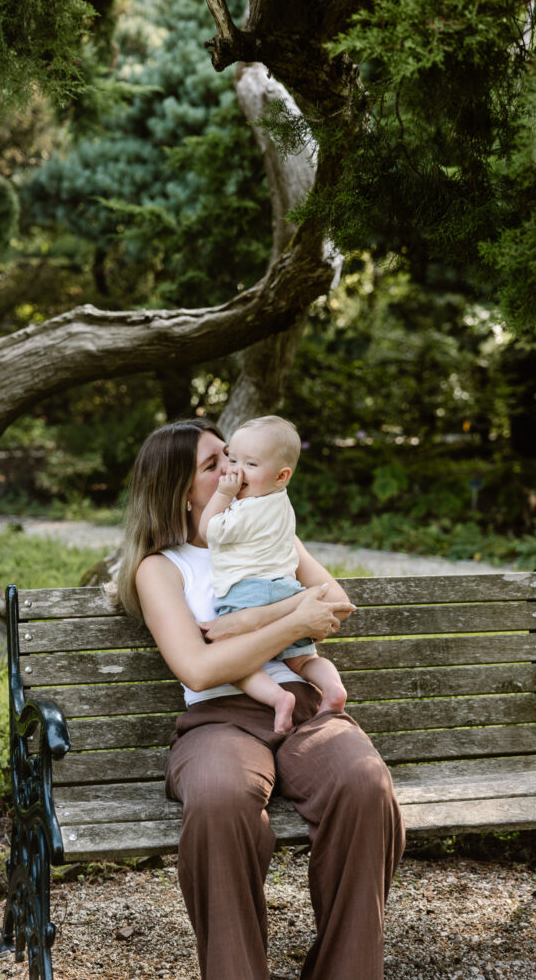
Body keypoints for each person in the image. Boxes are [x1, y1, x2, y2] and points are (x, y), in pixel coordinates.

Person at [116, 418, 405, 980]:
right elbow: (199, 670)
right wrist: (292, 615)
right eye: (212, 465)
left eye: (230, 456)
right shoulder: (161, 568)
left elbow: (336, 604)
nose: (231, 469)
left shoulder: (269, 528)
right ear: (179, 490)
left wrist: (248, 620)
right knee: (220, 799)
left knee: (365, 785)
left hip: (302, 704)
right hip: (218, 718)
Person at [198, 415, 347, 733]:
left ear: (282, 476)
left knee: (232, 661)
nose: (233, 471)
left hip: (247, 593)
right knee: (304, 661)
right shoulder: (280, 503)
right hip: (287, 589)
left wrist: (223, 495)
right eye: (232, 459)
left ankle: (279, 699)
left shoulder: (245, 508)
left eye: (249, 464)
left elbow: (209, 530)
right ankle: (333, 688)